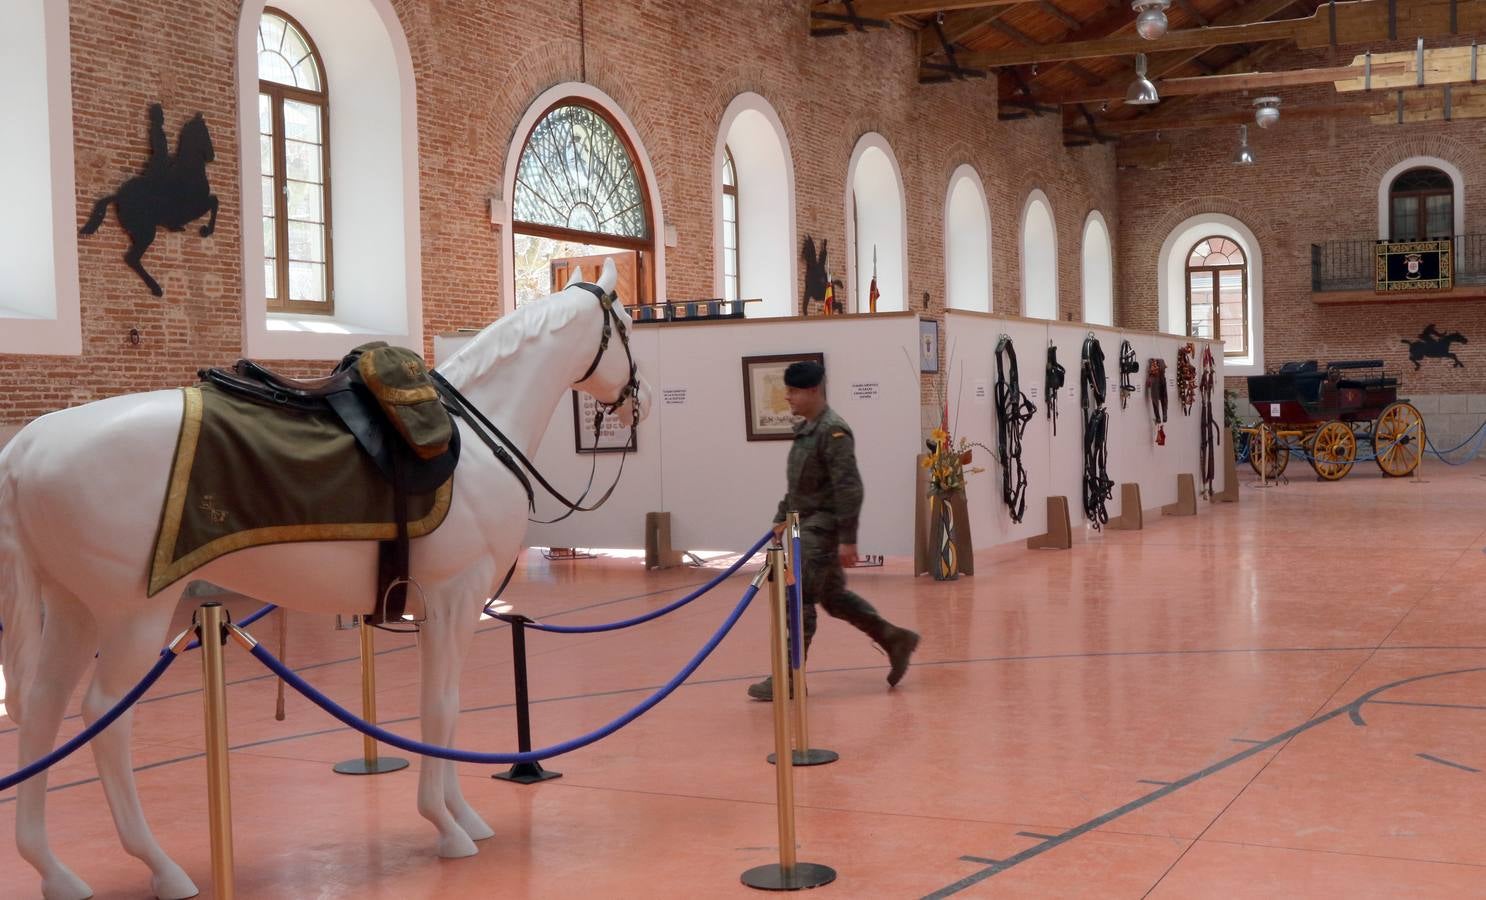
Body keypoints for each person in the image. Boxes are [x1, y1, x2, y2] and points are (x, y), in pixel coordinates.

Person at [749, 359, 919, 701]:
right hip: (806, 525)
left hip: (821, 529)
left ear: (813, 390)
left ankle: (789, 677)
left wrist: (848, 539)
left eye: (794, 391)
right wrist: (781, 517)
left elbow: (849, 487)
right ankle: (894, 638)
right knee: (834, 598)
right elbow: (799, 487)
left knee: (796, 597)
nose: (788, 397)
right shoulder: (808, 430)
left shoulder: (833, 431)